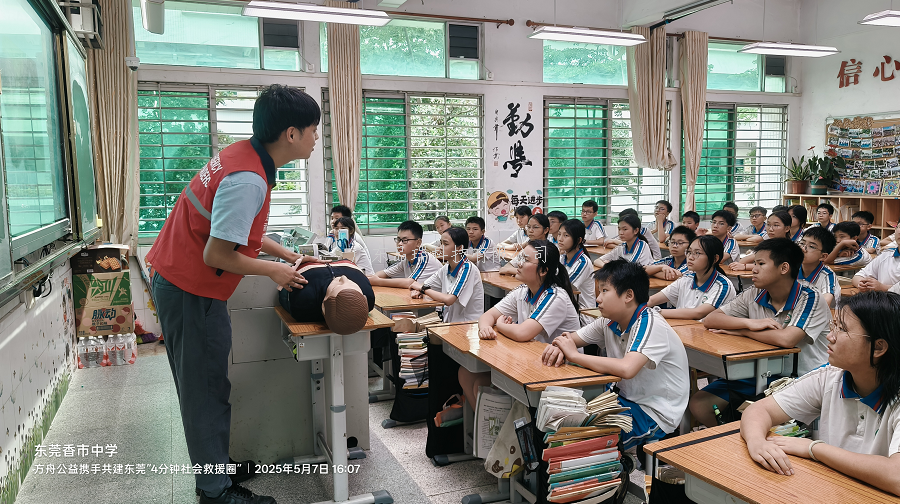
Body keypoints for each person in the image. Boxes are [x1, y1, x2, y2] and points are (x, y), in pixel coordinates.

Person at [145, 85, 321, 504]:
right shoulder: (248, 179)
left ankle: (216, 465)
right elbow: (218, 253)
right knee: (204, 391)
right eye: (314, 129)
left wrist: (286, 253)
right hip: (190, 289)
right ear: (291, 134)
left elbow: (236, 233)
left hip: (185, 281)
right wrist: (275, 271)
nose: (317, 137)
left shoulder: (243, 156)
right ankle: (215, 492)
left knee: (208, 385)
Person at [739, 292, 900, 497]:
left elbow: (897, 477)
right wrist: (756, 442)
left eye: (843, 329)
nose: (830, 336)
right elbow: (759, 410)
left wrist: (814, 448)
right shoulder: (829, 377)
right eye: (834, 326)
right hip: (832, 492)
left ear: (878, 347)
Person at [542, 260, 690, 451]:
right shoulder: (609, 321)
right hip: (621, 398)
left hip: (654, 410)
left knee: (581, 438)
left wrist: (574, 355)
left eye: (604, 291)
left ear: (628, 295)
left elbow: (627, 369)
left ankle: (619, 465)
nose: (598, 299)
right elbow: (570, 340)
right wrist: (559, 347)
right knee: (559, 414)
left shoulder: (650, 323)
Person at [691, 238, 831, 427]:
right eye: (754, 263)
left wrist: (742, 331)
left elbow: (787, 339)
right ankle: (734, 438)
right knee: (700, 404)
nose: (754, 269)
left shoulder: (809, 297)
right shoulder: (755, 292)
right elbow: (711, 319)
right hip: (760, 373)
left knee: (758, 417)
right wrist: (750, 323)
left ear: (784, 268)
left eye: (761, 264)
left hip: (801, 378)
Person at [459, 240, 580, 409]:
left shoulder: (555, 296)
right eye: (520, 257)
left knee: (480, 383)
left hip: (559, 369)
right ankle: (483, 425)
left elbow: (523, 333)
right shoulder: (523, 291)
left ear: (543, 270)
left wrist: (500, 325)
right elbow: (487, 316)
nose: (519, 263)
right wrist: (485, 327)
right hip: (531, 361)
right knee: (466, 374)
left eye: (526, 260)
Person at [647, 235, 735, 320]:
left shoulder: (723, 285)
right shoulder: (686, 279)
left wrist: (654, 312)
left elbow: (698, 313)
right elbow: (651, 300)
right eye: (689, 252)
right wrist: (640, 307)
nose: (690, 257)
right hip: (681, 327)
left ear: (715, 258)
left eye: (697, 253)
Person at [409, 227, 484, 323]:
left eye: (445, 244)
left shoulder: (468, 269)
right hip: (450, 321)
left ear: (459, 248)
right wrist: (419, 290)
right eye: (441, 243)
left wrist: (422, 289)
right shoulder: (446, 268)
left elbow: (449, 300)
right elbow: (425, 285)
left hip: (467, 324)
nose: (440, 247)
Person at [278, 260, 374, 332]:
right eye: (351, 283)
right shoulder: (367, 295)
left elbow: (283, 288)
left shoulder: (300, 301)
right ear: (364, 298)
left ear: (324, 306)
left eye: (337, 286)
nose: (343, 277)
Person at [368, 220, 441, 288]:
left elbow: (410, 283)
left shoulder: (424, 258)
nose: (400, 244)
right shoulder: (406, 261)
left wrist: (378, 281)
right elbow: (384, 273)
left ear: (418, 243)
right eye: (398, 239)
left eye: (405, 240)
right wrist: (373, 278)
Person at [557, 219, 596, 322]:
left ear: (578, 240)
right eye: (559, 234)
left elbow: (564, 285)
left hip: (582, 314)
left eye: (566, 235)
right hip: (566, 308)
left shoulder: (583, 262)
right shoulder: (562, 257)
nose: (560, 239)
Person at [798, 227, 840, 308]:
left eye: (811, 246)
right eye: (802, 243)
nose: (803, 249)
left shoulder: (827, 275)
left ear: (823, 256)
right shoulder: (792, 269)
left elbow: (825, 302)